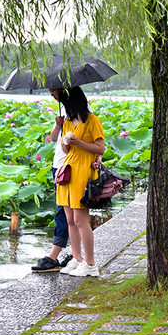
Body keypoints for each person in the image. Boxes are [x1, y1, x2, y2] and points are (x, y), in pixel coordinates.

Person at [56, 86, 105, 277]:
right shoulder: (67, 122)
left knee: (80, 219)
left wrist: (78, 143)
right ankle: (77, 260)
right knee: (69, 219)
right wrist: (66, 144)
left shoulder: (92, 121)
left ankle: (91, 264)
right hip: (67, 171)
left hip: (83, 171)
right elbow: (68, 151)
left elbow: (99, 148)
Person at [31, 87, 73, 272]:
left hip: (68, 166)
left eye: (53, 89)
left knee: (64, 211)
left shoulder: (77, 112)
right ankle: (74, 255)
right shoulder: (63, 111)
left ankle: (53, 256)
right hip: (57, 166)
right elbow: (53, 138)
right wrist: (58, 124)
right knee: (65, 211)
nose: (50, 93)